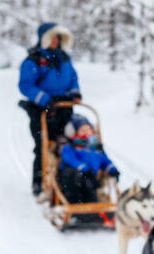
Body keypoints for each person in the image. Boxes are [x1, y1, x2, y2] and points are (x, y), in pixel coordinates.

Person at [18, 22, 82, 197]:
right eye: (53, 37)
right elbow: (26, 86)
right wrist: (45, 99)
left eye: (58, 37)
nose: (56, 41)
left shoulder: (65, 58)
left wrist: (75, 93)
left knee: (66, 144)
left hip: (64, 108)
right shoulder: (34, 60)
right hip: (41, 110)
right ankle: (38, 183)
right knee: (43, 146)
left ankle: (66, 183)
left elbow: (73, 78)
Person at [57, 115, 119, 204]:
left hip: (92, 178)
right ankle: (76, 208)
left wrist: (112, 169)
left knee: (91, 189)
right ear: (75, 133)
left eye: (88, 129)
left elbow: (105, 160)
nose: (87, 132)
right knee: (78, 178)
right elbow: (71, 160)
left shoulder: (96, 147)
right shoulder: (70, 147)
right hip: (74, 178)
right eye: (83, 130)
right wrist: (84, 169)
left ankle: (92, 209)